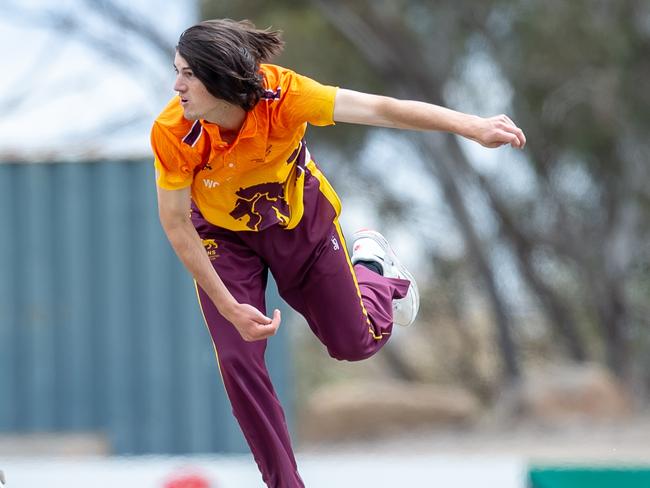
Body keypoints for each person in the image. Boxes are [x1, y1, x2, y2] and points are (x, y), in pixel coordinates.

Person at [151, 18, 526, 488]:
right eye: (176, 70)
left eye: (187, 74)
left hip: (298, 222)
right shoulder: (173, 131)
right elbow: (175, 223)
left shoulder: (286, 96)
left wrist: (471, 125)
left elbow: (381, 108)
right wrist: (229, 307)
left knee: (353, 344)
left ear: (220, 76)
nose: (176, 85)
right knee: (238, 358)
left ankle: (374, 268)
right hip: (222, 236)